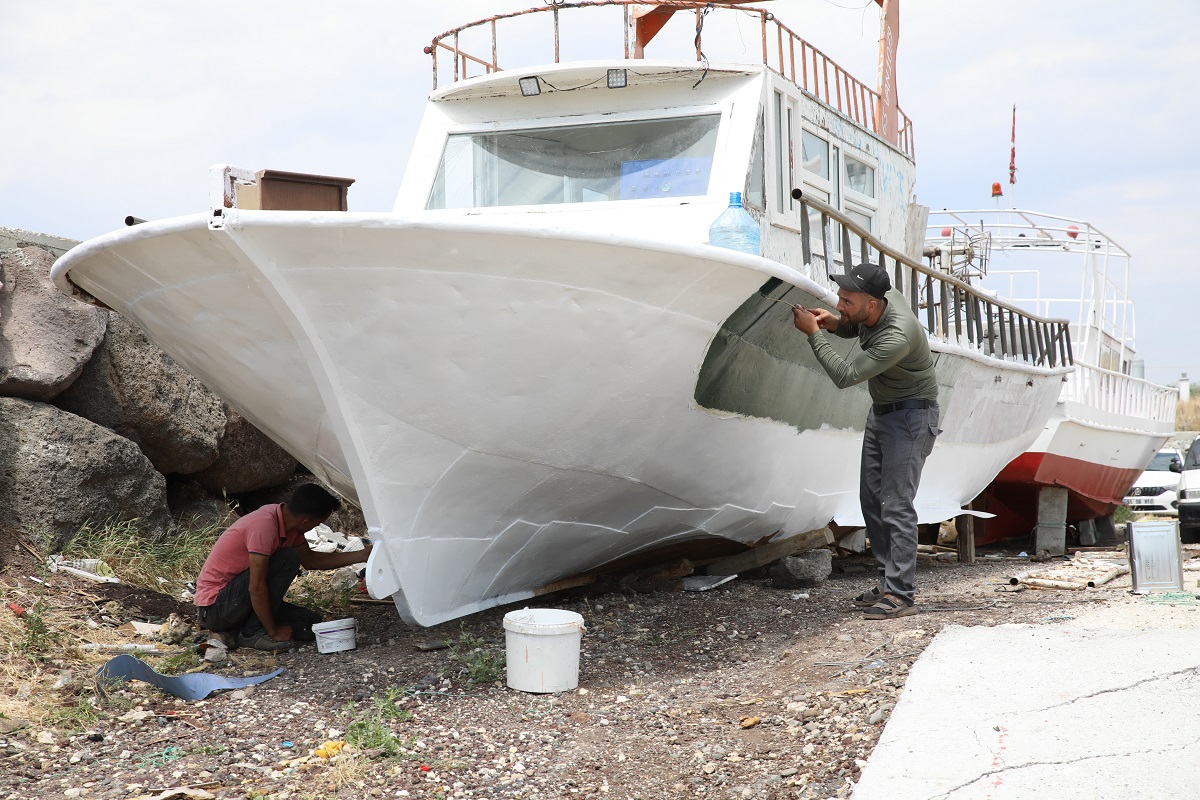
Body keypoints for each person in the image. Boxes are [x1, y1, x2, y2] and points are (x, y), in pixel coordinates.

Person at [791, 263, 939, 619]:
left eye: (846, 301)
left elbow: (845, 376)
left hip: (911, 419)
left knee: (897, 504)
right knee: (871, 499)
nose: (839, 304)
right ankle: (889, 581)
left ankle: (901, 595)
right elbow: (852, 324)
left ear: (872, 304)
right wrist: (834, 323)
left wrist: (814, 333)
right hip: (883, 413)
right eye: (839, 298)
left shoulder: (898, 335)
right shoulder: (883, 300)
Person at [193, 483, 371, 651]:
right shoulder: (264, 526)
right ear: (305, 522)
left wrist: (361, 555)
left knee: (310, 623)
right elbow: (256, 587)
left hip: (239, 603)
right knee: (287, 558)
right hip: (216, 608)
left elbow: (311, 561)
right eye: (316, 524)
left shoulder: (288, 524)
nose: (315, 527)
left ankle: (231, 635)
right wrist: (272, 631)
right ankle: (252, 633)